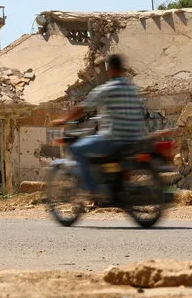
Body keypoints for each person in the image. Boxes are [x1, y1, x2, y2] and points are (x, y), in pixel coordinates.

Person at [53, 54, 146, 198]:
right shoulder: (132, 88)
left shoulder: (107, 89)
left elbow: (83, 108)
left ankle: (93, 190)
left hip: (113, 138)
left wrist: (64, 120)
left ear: (111, 69)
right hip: (134, 138)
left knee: (77, 149)